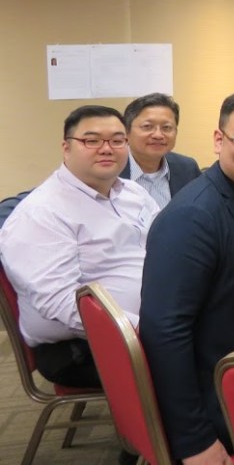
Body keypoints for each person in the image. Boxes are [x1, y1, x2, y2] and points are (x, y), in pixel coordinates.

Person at [140, 89, 234, 465]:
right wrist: (195, 442)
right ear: (219, 140)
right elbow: (165, 333)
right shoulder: (192, 217)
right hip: (222, 402)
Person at [0, 105, 159, 388]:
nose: (106, 149)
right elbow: (59, 302)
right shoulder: (41, 213)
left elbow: (164, 248)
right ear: (66, 148)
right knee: (200, 365)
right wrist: (141, 329)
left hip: (154, 319)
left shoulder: (134, 193)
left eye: (117, 140)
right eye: (92, 140)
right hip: (83, 346)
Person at [121, 93, 201, 208]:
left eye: (166, 127)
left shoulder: (187, 169)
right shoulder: (110, 170)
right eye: (147, 126)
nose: (158, 135)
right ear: (126, 132)